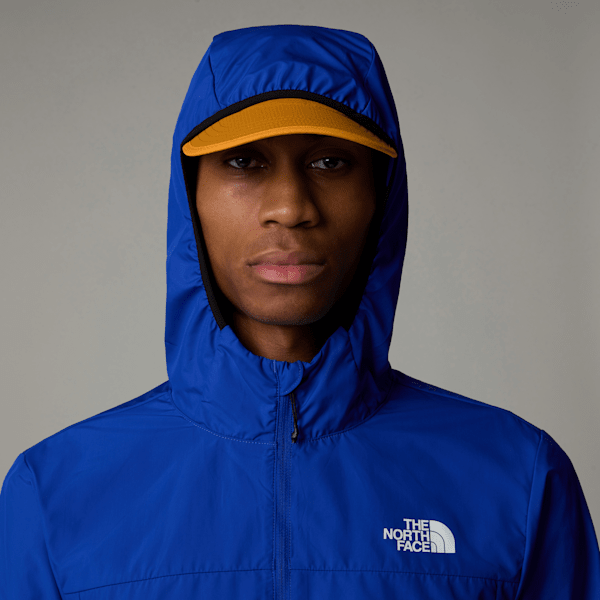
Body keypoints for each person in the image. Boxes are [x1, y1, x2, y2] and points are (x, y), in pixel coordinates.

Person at [1, 23, 598, 599]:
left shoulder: (517, 479)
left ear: (383, 195)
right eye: (244, 161)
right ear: (190, 196)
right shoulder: (53, 493)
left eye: (330, 162)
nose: (290, 207)